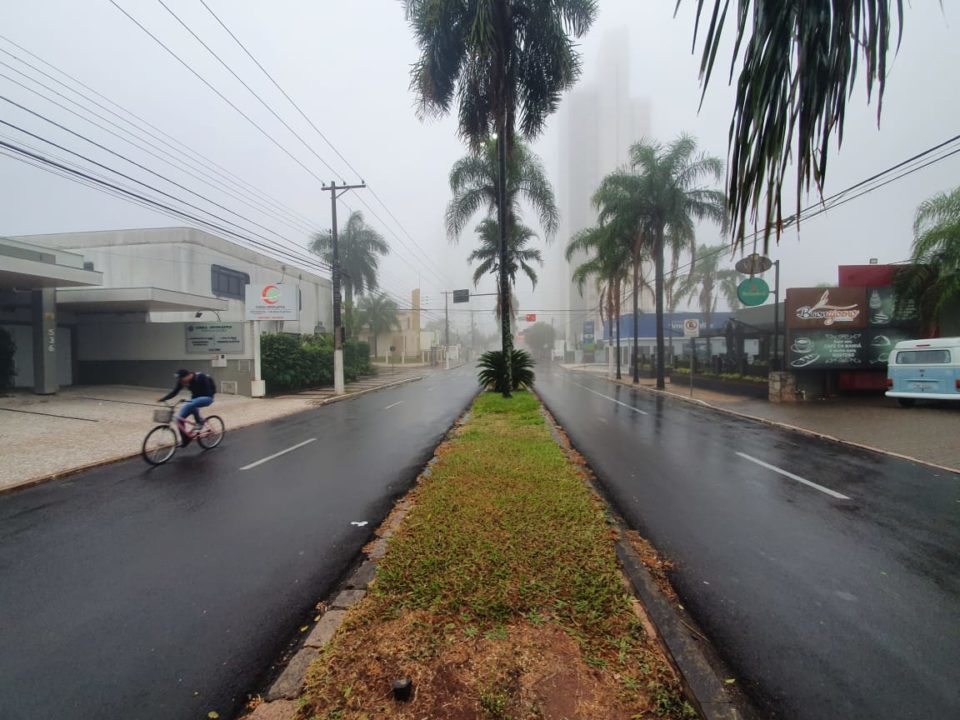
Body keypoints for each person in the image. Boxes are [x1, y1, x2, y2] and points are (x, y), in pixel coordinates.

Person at [158, 369, 217, 445]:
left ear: (188, 375)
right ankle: (185, 440)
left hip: (207, 397)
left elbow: (209, 391)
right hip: (194, 400)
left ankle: (199, 422)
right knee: (179, 419)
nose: (181, 381)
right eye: (179, 379)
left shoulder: (200, 377)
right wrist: (163, 399)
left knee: (190, 404)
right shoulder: (182, 381)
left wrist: (196, 400)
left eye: (182, 378)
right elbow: (174, 392)